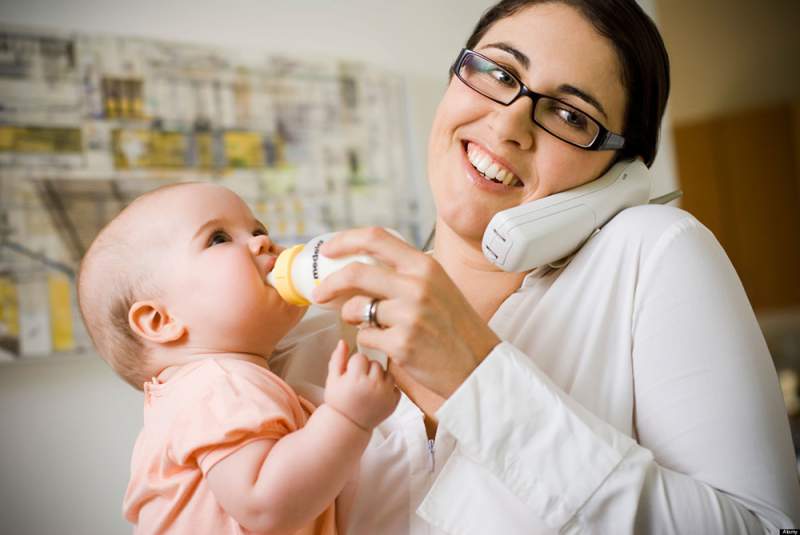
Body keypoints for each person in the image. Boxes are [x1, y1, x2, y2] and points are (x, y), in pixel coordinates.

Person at [270, 0, 800, 533]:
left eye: (571, 115)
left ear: (620, 170)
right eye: (499, 73)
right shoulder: (302, 330)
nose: (508, 125)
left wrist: (477, 379)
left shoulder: (651, 254)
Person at [76, 182, 399, 534]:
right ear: (161, 321)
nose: (262, 241)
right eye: (218, 239)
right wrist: (348, 417)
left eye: (257, 229)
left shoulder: (215, 386)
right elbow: (264, 505)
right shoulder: (217, 384)